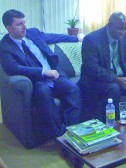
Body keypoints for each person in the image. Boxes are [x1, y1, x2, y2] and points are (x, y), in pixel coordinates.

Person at [0, 9, 82, 142]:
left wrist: (76, 38)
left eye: (24, 22)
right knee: (43, 94)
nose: (24, 26)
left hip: (55, 75)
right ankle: (61, 136)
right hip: (37, 81)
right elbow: (13, 68)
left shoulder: (33, 33)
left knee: (73, 90)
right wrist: (42, 72)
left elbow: (54, 36)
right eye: (19, 24)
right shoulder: (4, 46)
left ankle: (72, 133)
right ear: (9, 28)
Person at [79, 11, 126, 122]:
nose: (122, 32)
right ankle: (115, 126)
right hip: (97, 81)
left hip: (121, 77)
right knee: (114, 88)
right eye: (119, 29)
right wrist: (115, 79)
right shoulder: (92, 40)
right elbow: (92, 68)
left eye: (125, 29)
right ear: (109, 26)